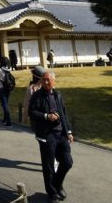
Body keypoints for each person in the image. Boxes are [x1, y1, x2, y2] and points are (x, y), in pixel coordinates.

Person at [29, 72, 74, 203]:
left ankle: (57, 184)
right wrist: (46, 116)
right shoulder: (37, 95)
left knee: (67, 162)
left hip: (61, 134)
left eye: (48, 80)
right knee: (48, 165)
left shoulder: (57, 94)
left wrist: (69, 132)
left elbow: (64, 114)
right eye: (44, 80)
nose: (46, 82)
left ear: (54, 81)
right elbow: (32, 112)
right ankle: (52, 192)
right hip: (46, 135)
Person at [0, 56, 12, 126]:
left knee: (4, 105)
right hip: (8, 89)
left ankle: (8, 121)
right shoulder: (8, 69)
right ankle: (5, 120)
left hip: (2, 89)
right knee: (6, 103)